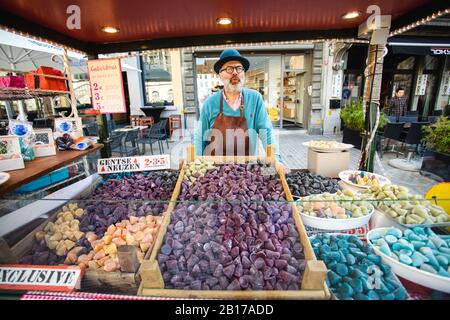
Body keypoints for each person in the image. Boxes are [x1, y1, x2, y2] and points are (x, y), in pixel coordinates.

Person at [194, 49, 288, 172]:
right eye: (229, 69)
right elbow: (200, 138)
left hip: (246, 171)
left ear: (243, 73)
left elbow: (266, 132)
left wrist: (276, 159)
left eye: (239, 68)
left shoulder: (255, 98)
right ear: (220, 75)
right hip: (214, 172)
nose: (235, 73)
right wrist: (196, 164)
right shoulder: (210, 103)